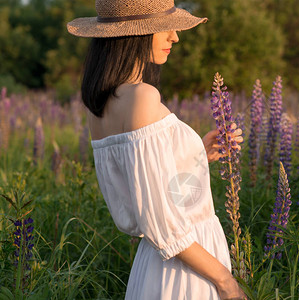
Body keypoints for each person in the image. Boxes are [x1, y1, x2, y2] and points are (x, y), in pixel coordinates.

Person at [66, 0, 246, 299]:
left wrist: (197, 154)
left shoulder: (101, 106)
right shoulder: (143, 97)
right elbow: (161, 223)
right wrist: (226, 281)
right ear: (136, 34)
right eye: (164, 27)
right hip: (188, 269)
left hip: (159, 264)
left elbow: (148, 197)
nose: (174, 36)